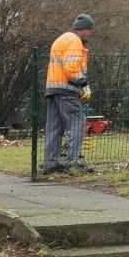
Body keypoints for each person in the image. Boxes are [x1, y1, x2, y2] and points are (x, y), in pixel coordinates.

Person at [44, 14, 94, 175]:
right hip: (67, 89)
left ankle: (50, 163)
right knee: (78, 123)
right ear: (84, 30)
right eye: (90, 31)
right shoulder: (74, 41)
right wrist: (84, 84)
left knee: (54, 127)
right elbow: (71, 67)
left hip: (53, 89)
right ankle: (73, 162)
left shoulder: (62, 39)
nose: (90, 35)